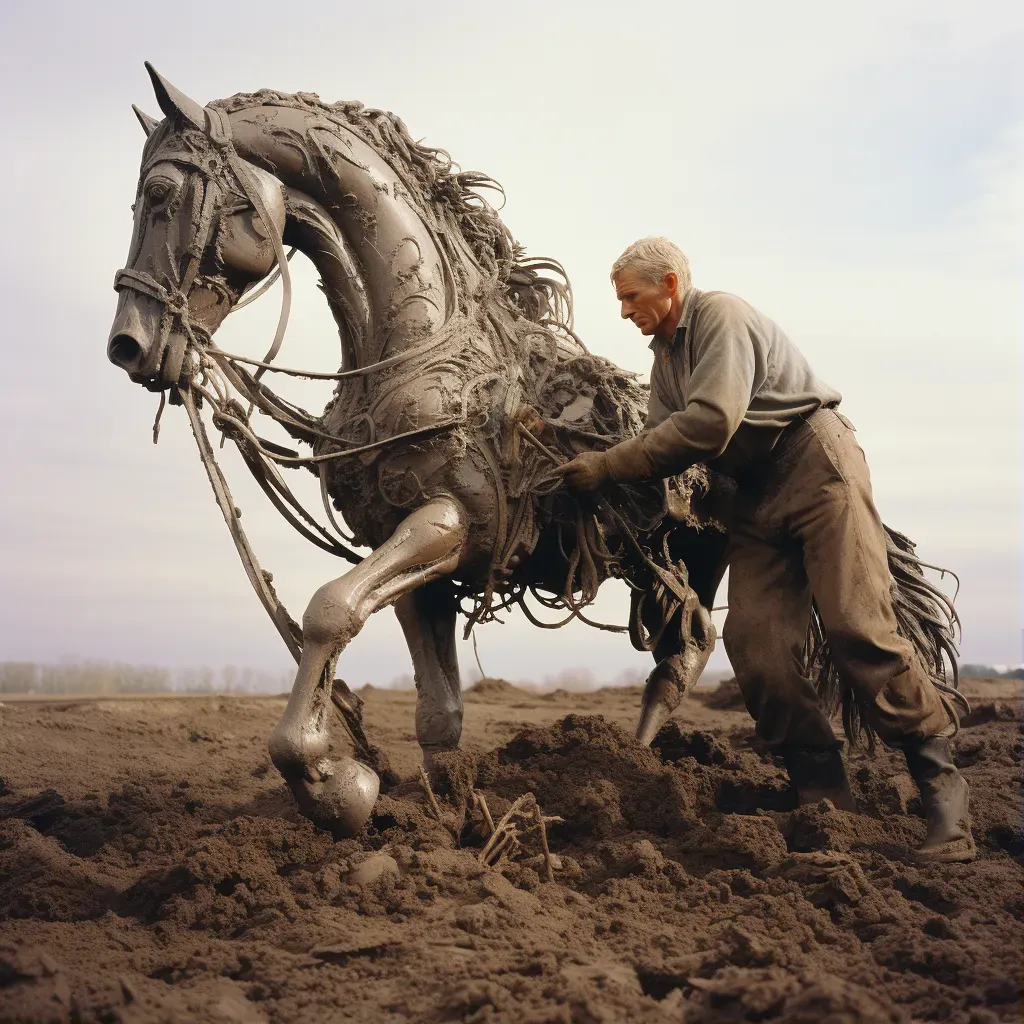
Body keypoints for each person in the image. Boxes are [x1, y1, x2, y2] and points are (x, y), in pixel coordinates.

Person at [560, 236, 975, 863]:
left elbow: (708, 423)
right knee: (754, 644)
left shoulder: (720, 316)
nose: (623, 311)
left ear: (670, 283)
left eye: (630, 297)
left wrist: (609, 465)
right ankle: (823, 796)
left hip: (815, 470)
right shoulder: (665, 364)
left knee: (858, 630)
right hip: (749, 500)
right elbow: (661, 443)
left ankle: (945, 798)